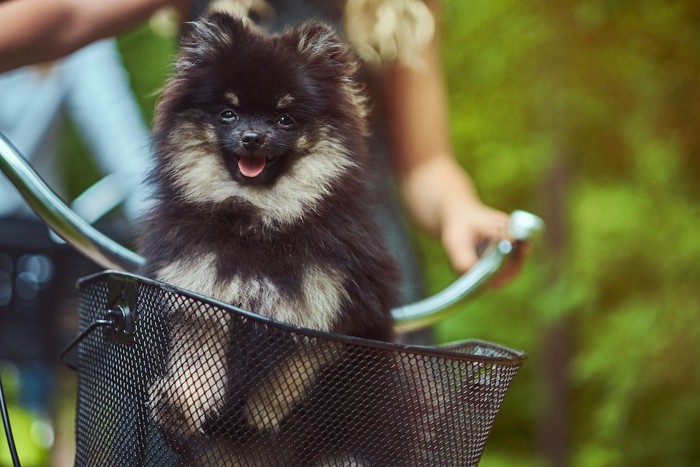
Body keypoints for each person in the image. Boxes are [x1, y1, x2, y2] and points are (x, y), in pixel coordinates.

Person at [0, 0, 522, 304]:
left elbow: (428, 164)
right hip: (206, 279)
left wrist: (463, 212)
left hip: (345, 283)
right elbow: (67, 15)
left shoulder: (399, 7)